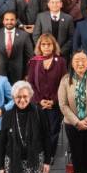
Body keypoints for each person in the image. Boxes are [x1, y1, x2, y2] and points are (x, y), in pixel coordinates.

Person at [26, 34, 68, 162]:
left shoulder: (60, 61)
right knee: (38, 131)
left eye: (49, 44)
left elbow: (63, 83)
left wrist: (53, 101)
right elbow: (31, 83)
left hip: (54, 104)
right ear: (39, 46)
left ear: (53, 46)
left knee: (53, 132)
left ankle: (49, 156)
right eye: (43, 44)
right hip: (38, 103)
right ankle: (40, 154)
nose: (46, 47)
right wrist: (39, 100)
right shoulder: (34, 61)